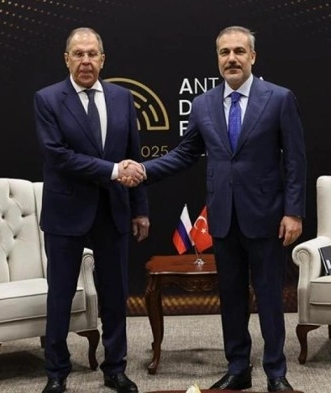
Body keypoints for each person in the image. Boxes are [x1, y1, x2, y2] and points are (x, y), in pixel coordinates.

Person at [125, 26, 306, 392]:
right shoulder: (204, 104)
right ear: (217, 58)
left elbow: (295, 160)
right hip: (222, 218)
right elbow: (185, 154)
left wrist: (294, 212)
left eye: (239, 51)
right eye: (225, 52)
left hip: (267, 217)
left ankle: (276, 373)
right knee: (232, 299)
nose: (232, 58)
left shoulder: (279, 98)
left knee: (270, 298)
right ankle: (238, 369)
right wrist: (144, 170)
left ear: (252, 56)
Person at [34, 27, 149, 393]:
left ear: (103, 59)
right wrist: (113, 171)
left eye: (92, 54)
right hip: (66, 211)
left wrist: (140, 209)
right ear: (66, 59)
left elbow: (133, 155)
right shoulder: (48, 99)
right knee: (60, 294)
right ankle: (57, 370)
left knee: (115, 295)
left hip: (113, 210)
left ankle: (115, 368)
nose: (85, 61)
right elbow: (59, 156)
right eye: (78, 54)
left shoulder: (122, 97)